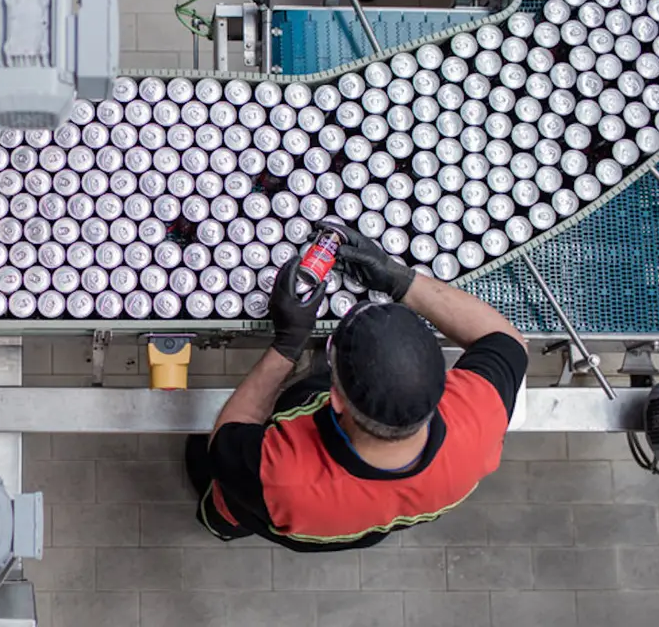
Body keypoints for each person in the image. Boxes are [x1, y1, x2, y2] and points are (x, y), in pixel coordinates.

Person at [186, 224, 528, 551]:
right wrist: (399, 279)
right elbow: (507, 341)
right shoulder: (477, 422)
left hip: (282, 515)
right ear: (441, 380)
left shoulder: (280, 478)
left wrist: (287, 345)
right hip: (372, 519)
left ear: (334, 398)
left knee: (220, 496)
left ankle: (219, 525)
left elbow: (231, 430)